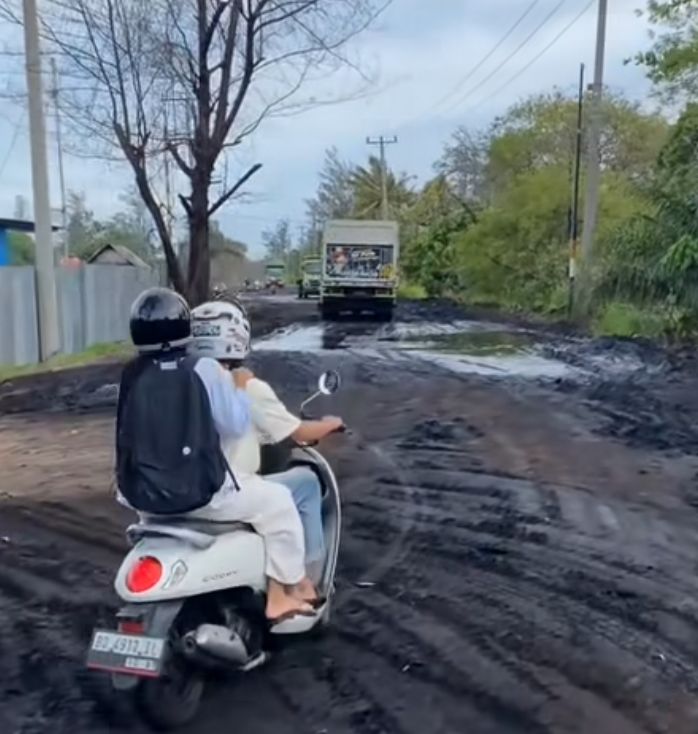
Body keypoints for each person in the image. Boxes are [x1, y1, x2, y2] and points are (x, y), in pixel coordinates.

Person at [115, 286, 313, 623]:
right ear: (183, 327)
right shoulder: (204, 369)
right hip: (200, 492)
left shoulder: (131, 374)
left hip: (142, 496)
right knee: (279, 502)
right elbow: (235, 426)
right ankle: (280, 596)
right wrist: (236, 387)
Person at [190, 295, 343, 602]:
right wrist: (331, 423)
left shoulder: (180, 379)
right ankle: (303, 581)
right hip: (222, 490)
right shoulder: (245, 386)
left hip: (179, 490)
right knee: (306, 484)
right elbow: (297, 432)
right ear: (237, 336)